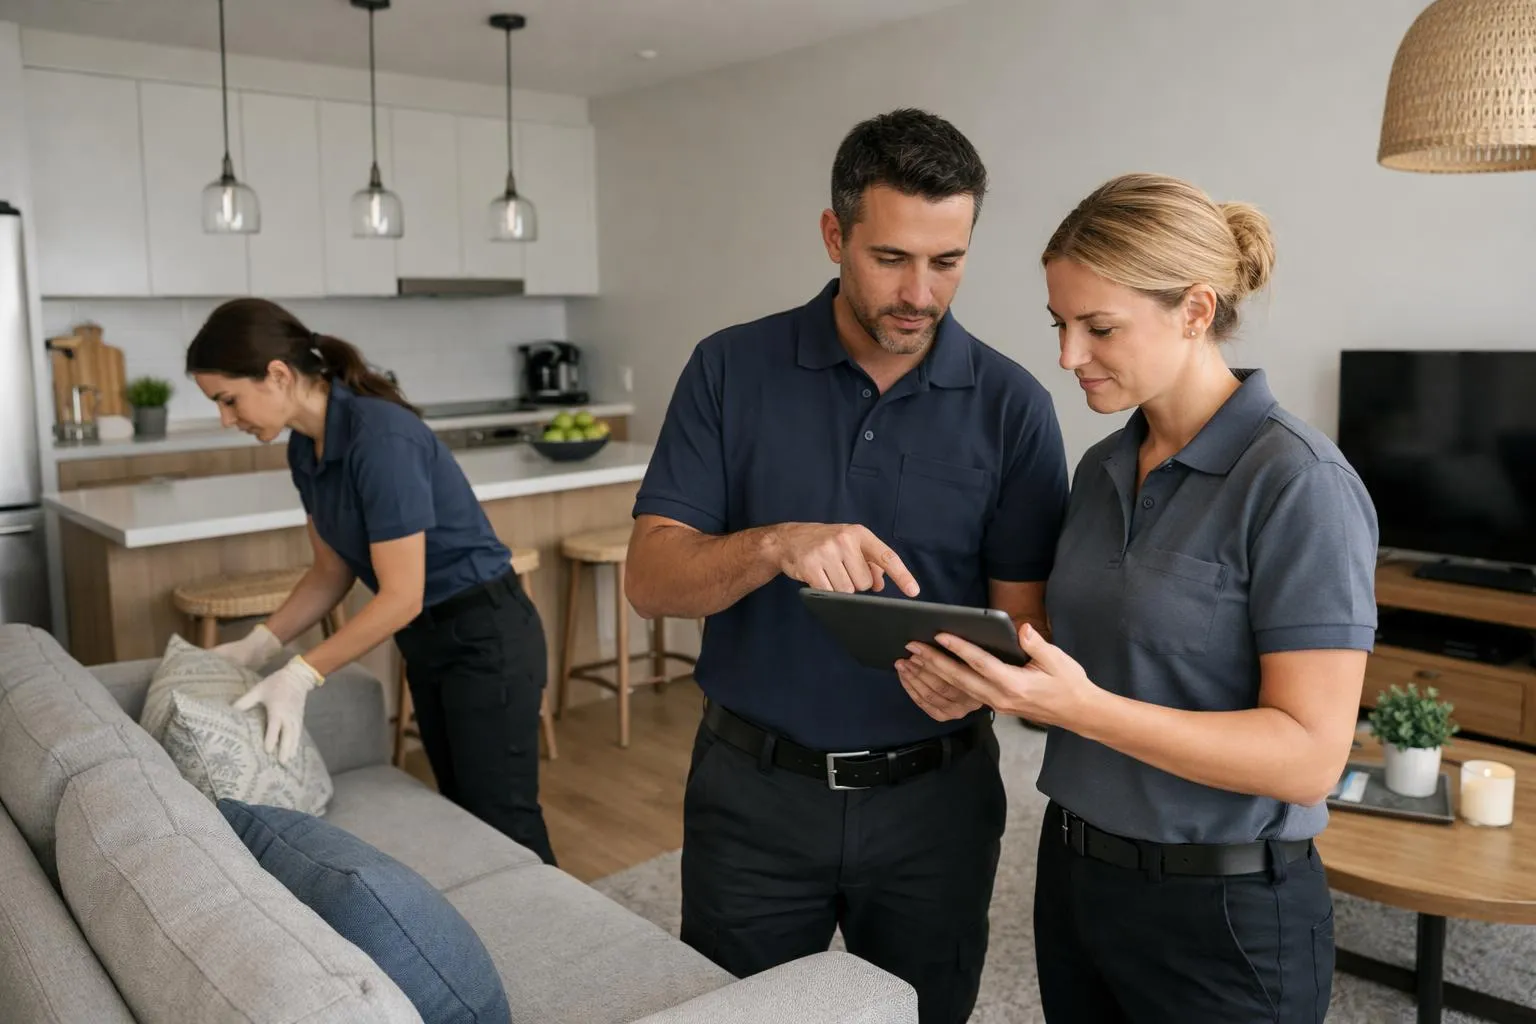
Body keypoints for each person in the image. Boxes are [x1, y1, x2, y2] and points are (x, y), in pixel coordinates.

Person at [896, 172, 1379, 1022]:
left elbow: (1310, 757)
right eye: (1060, 324)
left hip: (1223, 914)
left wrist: (1082, 710)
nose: (1067, 356)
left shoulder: (1299, 484)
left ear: (1195, 310)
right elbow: (1090, 656)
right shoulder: (1101, 468)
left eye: (1099, 327)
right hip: (1075, 876)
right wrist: (986, 677)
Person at [623, 108, 1069, 1024]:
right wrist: (774, 543)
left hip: (937, 808)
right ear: (835, 235)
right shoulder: (728, 369)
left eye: (947, 261)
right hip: (752, 798)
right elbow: (650, 582)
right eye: (891, 258)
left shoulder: (1014, 405)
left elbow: (1026, 625)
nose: (920, 292)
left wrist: (983, 678)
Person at [184, 297, 556, 867]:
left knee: (504, 820)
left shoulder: (380, 438)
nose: (226, 421)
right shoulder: (305, 448)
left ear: (277, 375)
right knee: (464, 814)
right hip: (428, 640)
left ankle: (550, 920)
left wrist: (302, 674)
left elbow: (402, 595)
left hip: (486, 634)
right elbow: (330, 571)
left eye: (228, 400)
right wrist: (259, 642)